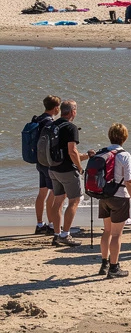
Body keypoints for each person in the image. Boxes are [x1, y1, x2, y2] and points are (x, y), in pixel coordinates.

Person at [95, 122, 131, 279]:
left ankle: (104, 263)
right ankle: (114, 267)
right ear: (125, 138)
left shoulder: (103, 153)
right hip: (119, 197)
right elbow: (129, 181)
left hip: (104, 196)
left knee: (107, 231)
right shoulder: (124, 155)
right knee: (116, 234)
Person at [49, 100, 84, 248]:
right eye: (75, 110)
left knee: (58, 201)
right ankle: (65, 234)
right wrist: (80, 167)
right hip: (67, 169)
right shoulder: (71, 127)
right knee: (74, 200)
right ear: (72, 111)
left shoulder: (53, 125)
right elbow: (72, 151)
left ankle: (57, 234)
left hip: (52, 168)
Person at [31, 95, 61, 235]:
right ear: (56, 107)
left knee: (42, 192)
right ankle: (50, 224)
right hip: (48, 162)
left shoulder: (38, 119)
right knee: (53, 193)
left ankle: (39, 224)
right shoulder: (49, 122)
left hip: (39, 160)